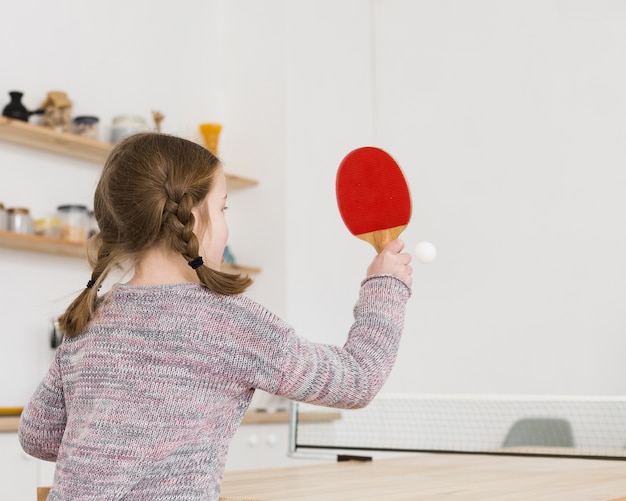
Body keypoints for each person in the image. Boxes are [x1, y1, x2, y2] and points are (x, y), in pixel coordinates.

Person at [18, 132, 412, 500]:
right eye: (222, 209)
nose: (226, 226)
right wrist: (385, 286)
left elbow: (38, 436)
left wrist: (109, 451)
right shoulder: (229, 322)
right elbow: (356, 380)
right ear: (189, 215)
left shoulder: (89, 319)